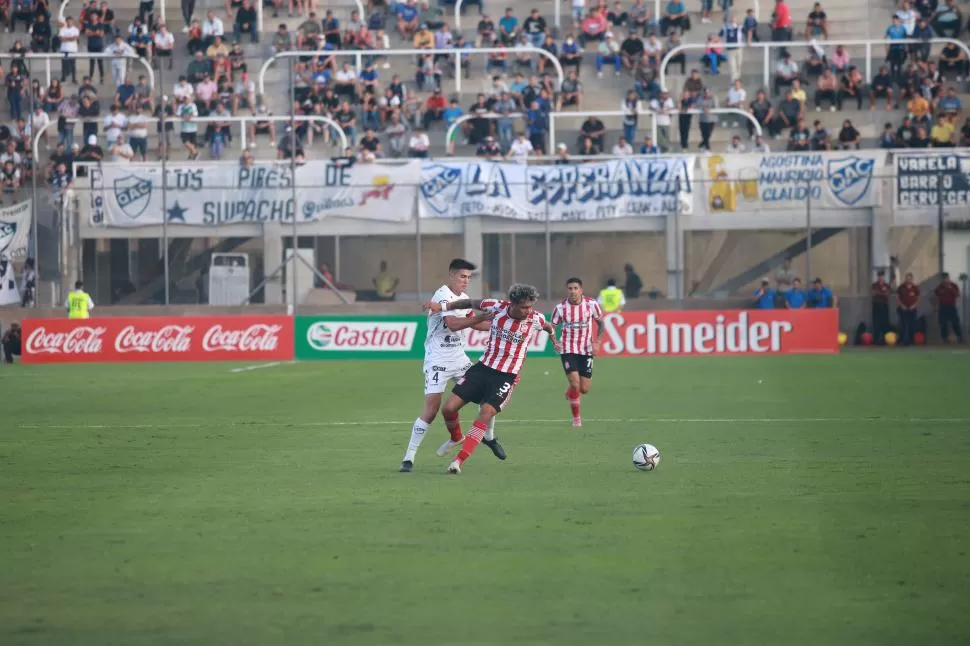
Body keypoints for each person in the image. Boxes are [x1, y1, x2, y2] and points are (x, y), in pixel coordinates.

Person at [423, 284, 562, 475]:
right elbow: (469, 302)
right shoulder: (495, 306)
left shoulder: (535, 318)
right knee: (448, 409)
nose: (528, 311)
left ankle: (458, 461)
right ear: (512, 304)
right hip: (482, 369)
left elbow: (548, 326)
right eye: (523, 307)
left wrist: (554, 340)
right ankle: (460, 437)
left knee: (486, 412)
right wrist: (444, 307)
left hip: (507, 376)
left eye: (530, 307)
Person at [400, 259, 505, 473]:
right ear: (451, 275)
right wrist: (478, 319)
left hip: (459, 359)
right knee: (431, 410)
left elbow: (478, 324)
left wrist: (501, 323)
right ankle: (408, 458)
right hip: (437, 359)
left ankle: (488, 437)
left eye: (468, 277)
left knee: (488, 396)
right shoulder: (442, 295)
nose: (466, 281)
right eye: (462, 277)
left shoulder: (464, 299)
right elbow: (453, 324)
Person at [551, 278, 604, 428]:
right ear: (567, 290)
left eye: (575, 288)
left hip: (586, 349)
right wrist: (555, 341)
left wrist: (597, 342)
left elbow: (601, 323)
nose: (572, 291)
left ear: (581, 290)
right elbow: (552, 327)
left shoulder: (591, 304)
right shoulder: (560, 308)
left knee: (584, 389)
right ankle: (576, 419)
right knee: (575, 383)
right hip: (568, 349)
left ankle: (570, 393)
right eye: (570, 288)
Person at [933, 272, 963, 343]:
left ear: (948, 278)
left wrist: (951, 289)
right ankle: (944, 338)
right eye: (943, 279)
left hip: (951, 307)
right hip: (942, 307)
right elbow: (935, 296)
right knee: (943, 323)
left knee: (955, 322)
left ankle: (959, 336)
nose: (945, 280)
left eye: (946, 278)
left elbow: (958, 295)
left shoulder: (953, 285)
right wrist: (935, 306)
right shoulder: (939, 287)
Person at [897, 272, 920, 346]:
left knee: (912, 325)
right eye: (907, 279)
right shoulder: (901, 287)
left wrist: (914, 305)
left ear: (912, 279)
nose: (908, 280)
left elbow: (918, 298)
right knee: (903, 325)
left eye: (909, 279)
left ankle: (911, 341)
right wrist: (902, 306)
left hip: (912, 309)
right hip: (903, 309)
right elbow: (898, 298)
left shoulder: (915, 288)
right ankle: (902, 340)